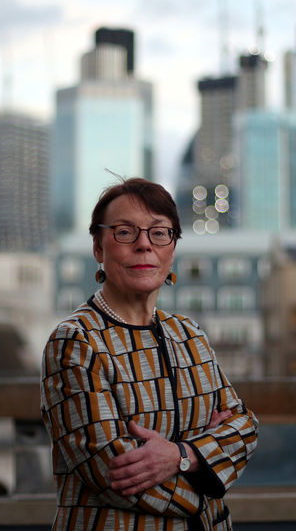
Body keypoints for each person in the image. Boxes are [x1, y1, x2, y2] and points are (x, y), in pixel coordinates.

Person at [41, 178, 258, 530]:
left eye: (159, 233)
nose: (144, 245)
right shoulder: (76, 342)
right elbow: (111, 471)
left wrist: (180, 456)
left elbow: (245, 428)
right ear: (98, 247)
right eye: (125, 232)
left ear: (172, 246)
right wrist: (208, 467)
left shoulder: (190, 335)